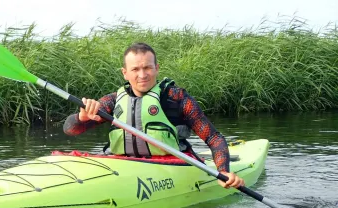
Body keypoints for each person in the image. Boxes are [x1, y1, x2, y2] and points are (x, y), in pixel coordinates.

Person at [63, 42, 244, 189]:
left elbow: (213, 137)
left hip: (171, 168)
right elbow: (70, 130)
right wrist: (82, 118)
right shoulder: (113, 101)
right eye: (135, 69)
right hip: (122, 166)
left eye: (147, 68)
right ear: (125, 73)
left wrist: (224, 171)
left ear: (156, 68)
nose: (142, 75)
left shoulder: (177, 98)